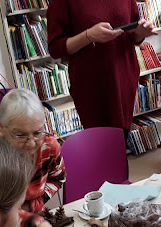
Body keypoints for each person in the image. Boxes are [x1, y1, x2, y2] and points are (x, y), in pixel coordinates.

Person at [47, 0, 155, 133]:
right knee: (101, 145)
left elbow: (132, 32)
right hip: (92, 86)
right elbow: (55, 48)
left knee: (121, 139)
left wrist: (141, 34)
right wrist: (88, 36)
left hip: (124, 80)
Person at [0, 88, 66, 227]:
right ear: (1, 128)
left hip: (35, 218)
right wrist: (33, 220)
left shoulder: (49, 146)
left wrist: (33, 206)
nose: (31, 143)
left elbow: (58, 179)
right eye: (20, 135)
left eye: (37, 132)